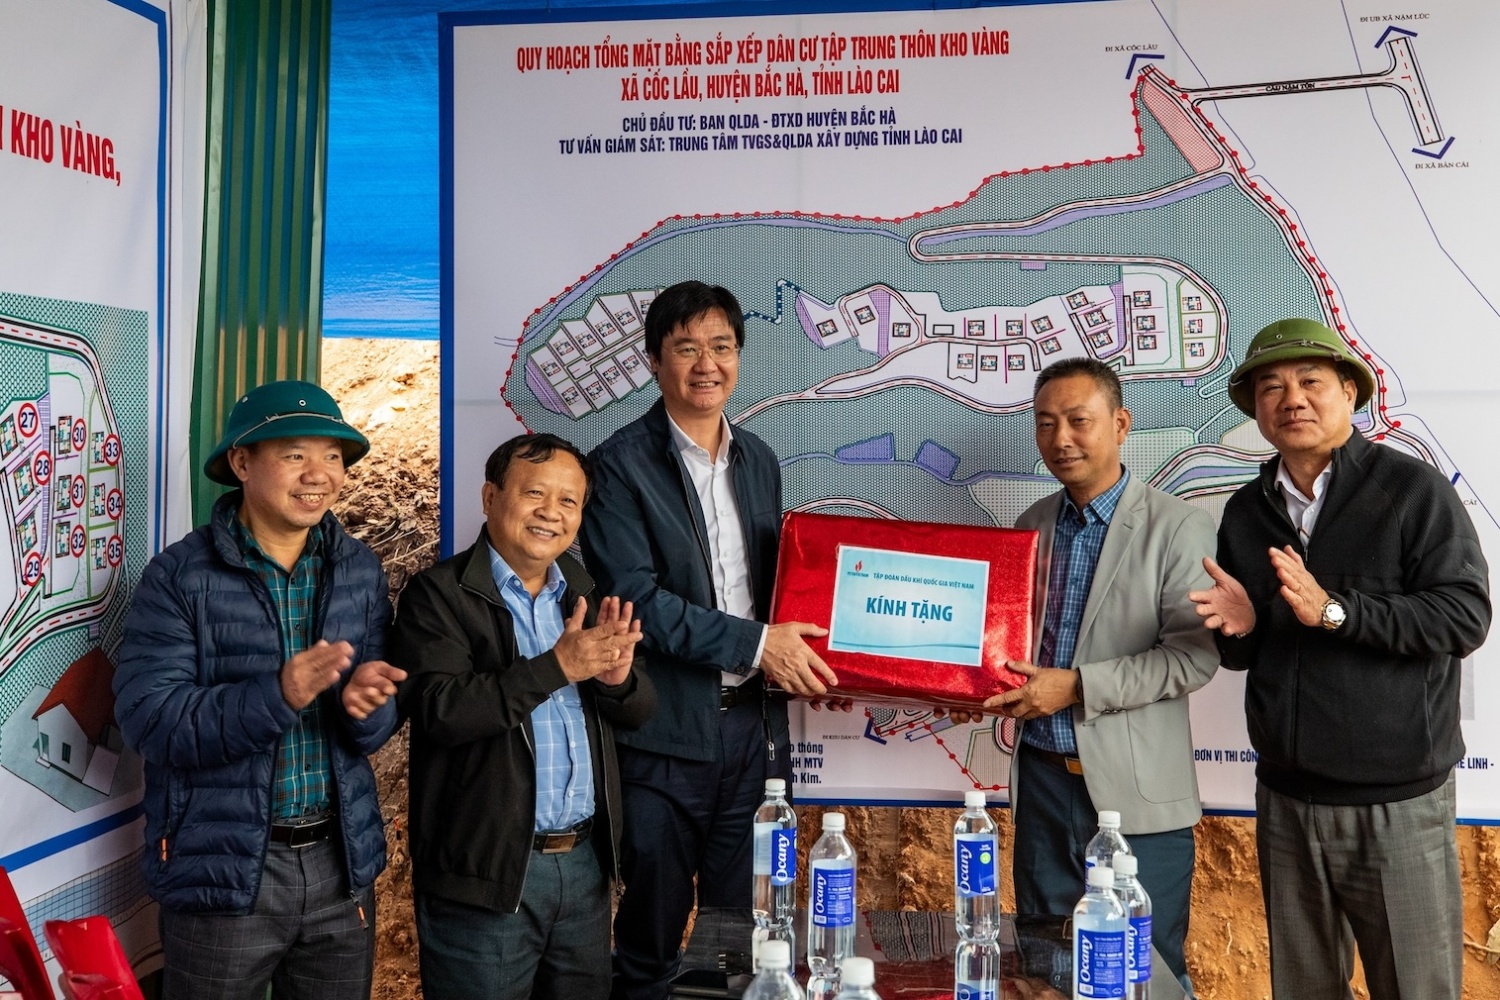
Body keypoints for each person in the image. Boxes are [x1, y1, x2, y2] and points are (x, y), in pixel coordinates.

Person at [1190, 317, 1491, 999]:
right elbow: (1247, 654)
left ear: (1350, 393)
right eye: (1271, 388)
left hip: (1398, 804)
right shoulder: (1245, 512)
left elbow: (1464, 616)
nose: (1291, 399)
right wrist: (1241, 629)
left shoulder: (1411, 492)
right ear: (1256, 409)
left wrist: (1336, 610)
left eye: (1310, 382)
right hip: (1286, 801)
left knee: (1415, 988)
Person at [581, 280, 838, 1000]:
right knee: (650, 941)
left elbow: (777, 591)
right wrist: (759, 646)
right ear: (653, 361)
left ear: (738, 357)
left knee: (742, 937)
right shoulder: (618, 467)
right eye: (686, 348)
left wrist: (821, 660)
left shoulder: (759, 459)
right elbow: (635, 600)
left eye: (721, 346)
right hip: (663, 736)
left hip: (754, 736)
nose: (707, 364)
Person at [114, 380, 406, 1000]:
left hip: (340, 865)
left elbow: (376, 724)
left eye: (332, 456)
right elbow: (149, 719)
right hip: (223, 871)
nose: (319, 475)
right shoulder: (179, 577)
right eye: (295, 454)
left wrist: (365, 709)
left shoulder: (358, 569)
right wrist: (278, 694)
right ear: (242, 462)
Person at [391, 433, 655, 1000]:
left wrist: (617, 681)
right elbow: (441, 711)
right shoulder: (438, 595)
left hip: (583, 867)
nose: (551, 512)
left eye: (568, 501)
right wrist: (557, 667)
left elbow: (639, 710)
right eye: (535, 493)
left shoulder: (581, 591)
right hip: (486, 875)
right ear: (490, 497)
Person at [984, 357, 1218, 990]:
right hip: (1042, 787)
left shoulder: (1178, 526)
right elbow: (1008, 648)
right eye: (1045, 423)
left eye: (1078, 420)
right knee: (1047, 969)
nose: (1060, 438)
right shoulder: (1032, 525)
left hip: (1134, 799)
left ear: (1120, 424)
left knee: (1146, 974)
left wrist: (1078, 686)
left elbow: (1192, 657)